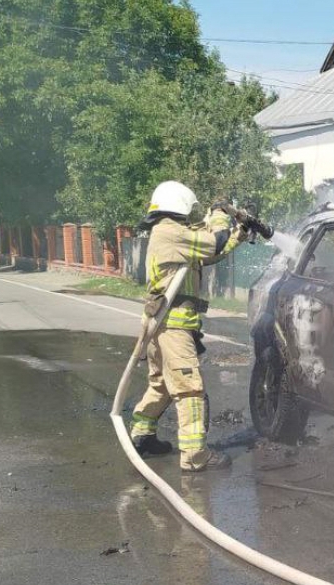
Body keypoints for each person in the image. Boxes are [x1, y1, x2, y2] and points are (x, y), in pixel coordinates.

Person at [127, 181, 248, 472]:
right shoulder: (171, 232)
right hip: (173, 327)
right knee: (190, 389)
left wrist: (240, 233)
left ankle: (142, 435)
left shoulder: (170, 233)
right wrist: (220, 213)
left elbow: (210, 252)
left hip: (161, 325)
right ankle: (195, 456)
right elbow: (213, 241)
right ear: (180, 205)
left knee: (162, 385)